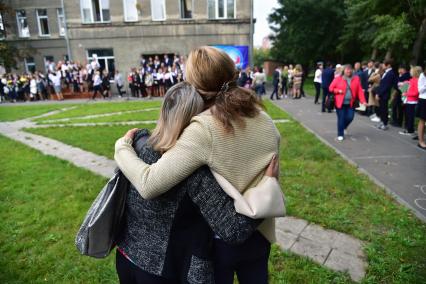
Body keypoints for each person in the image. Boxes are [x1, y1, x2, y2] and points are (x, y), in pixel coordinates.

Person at [115, 46, 281, 284]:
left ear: (194, 84)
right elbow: (272, 168)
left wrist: (122, 146)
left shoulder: (203, 129)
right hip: (262, 231)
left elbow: (149, 184)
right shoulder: (263, 117)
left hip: (220, 239)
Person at [329, 64, 367, 141]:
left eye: (350, 69)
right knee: (341, 118)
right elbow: (331, 88)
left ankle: (343, 127)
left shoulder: (356, 78)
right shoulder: (338, 78)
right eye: (347, 70)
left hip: (350, 103)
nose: (348, 71)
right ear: (344, 71)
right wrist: (338, 91)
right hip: (340, 103)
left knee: (350, 117)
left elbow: (359, 90)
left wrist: (363, 101)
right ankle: (340, 134)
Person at [399, 66, 421, 136]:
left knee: (410, 116)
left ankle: (410, 130)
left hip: (413, 101)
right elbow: (409, 84)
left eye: (411, 71)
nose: (410, 73)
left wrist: (406, 93)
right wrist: (405, 83)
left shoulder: (417, 80)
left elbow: (416, 93)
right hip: (409, 100)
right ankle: (409, 129)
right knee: (408, 116)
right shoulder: (412, 79)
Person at [376, 59, 398, 130]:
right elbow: (382, 84)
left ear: (388, 65)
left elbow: (386, 86)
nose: (382, 65)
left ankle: (385, 123)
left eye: (383, 64)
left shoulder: (390, 73)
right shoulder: (387, 72)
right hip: (383, 94)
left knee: (384, 109)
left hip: (385, 94)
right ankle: (382, 122)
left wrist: (379, 94)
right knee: (382, 109)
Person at [416, 66, 426, 150]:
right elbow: (420, 90)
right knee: (422, 120)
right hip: (424, 99)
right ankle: (421, 141)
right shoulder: (423, 75)